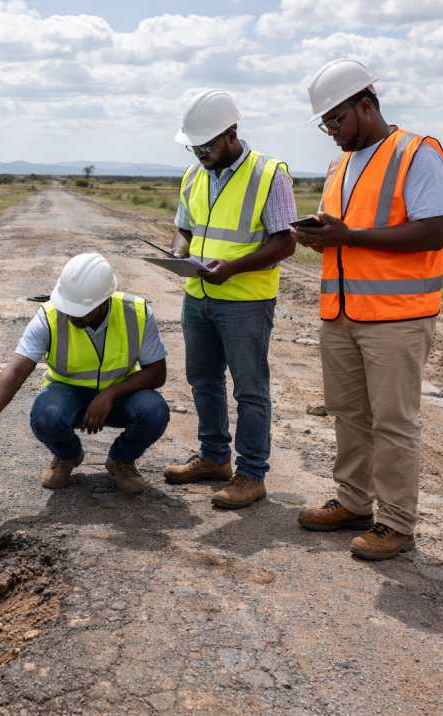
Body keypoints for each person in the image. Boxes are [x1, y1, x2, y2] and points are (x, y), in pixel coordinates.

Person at [291, 58, 443, 560]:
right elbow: (344, 231)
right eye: (326, 124)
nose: (332, 132)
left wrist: (350, 236)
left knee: (393, 423)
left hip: (396, 318)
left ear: (366, 104)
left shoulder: (414, 152)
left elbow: (433, 230)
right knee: (349, 415)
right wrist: (319, 237)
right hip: (341, 314)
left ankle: (397, 524)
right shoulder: (341, 164)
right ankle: (355, 503)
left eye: (337, 120)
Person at [161, 89, 297, 510]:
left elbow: (286, 243)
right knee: (203, 381)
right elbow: (184, 227)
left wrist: (233, 268)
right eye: (193, 146)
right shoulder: (194, 174)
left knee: (250, 389)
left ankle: (251, 474)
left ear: (232, 133)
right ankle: (215, 457)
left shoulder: (269, 174)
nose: (199, 152)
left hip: (246, 302)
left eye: (207, 145)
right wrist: (179, 251)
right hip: (197, 296)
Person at [0, 253, 169, 494]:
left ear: (104, 300)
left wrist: (110, 395)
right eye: (69, 308)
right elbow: (15, 371)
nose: (72, 315)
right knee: (45, 416)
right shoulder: (50, 315)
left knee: (154, 411)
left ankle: (121, 460)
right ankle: (68, 456)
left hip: (119, 396)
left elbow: (157, 373)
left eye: (82, 311)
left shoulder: (136, 313)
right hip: (67, 393)